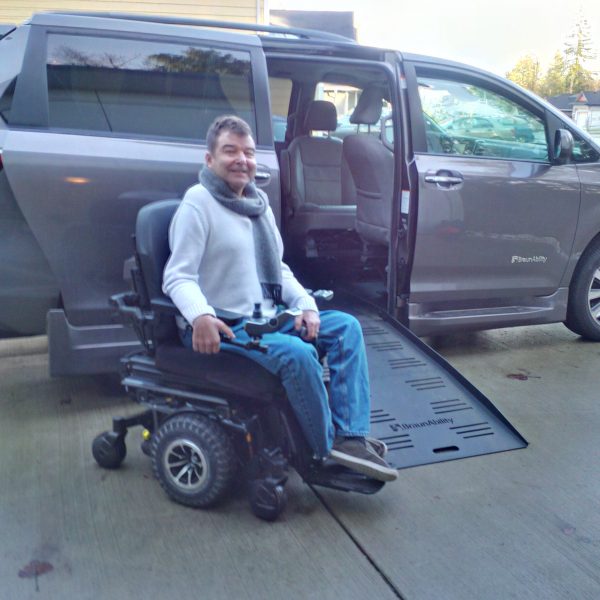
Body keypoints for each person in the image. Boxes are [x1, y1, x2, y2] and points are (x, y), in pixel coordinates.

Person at [163, 115, 397, 483]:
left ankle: (350, 437)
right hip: (227, 324)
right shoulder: (199, 203)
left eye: (249, 152)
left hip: (266, 315)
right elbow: (178, 276)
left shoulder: (258, 205)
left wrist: (305, 304)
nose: (242, 159)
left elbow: (280, 268)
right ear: (210, 160)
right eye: (230, 151)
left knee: (346, 328)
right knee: (298, 354)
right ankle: (323, 449)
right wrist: (200, 317)